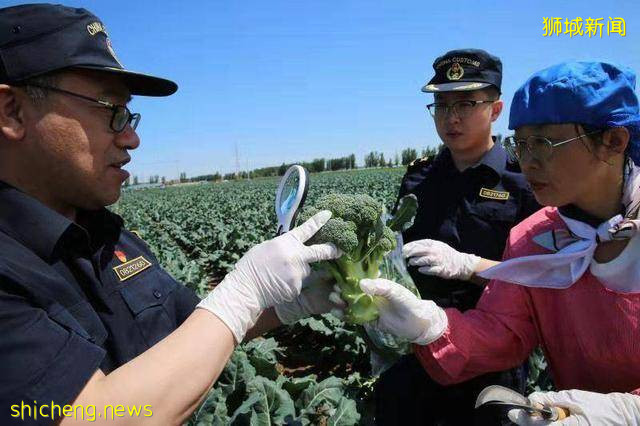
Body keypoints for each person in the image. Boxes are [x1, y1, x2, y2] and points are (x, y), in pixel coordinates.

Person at [0, 4, 344, 425]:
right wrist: (245, 293)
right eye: (111, 110)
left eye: (130, 114)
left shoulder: (110, 236)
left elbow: (193, 329)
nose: (132, 138)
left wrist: (284, 305)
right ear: (12, 112)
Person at [363, 61, 640, 425]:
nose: (527, 162)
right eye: (521, 144)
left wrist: (624, 413)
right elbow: (502, 330)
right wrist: (431, 326)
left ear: (614, 141)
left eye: (543, 142)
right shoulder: (532, 238)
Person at [375, 48, 540, 425]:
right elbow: (396, 256)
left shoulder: (523, 183)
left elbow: (538, 280)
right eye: (442, 104)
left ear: (495, 110)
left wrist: (468, 268)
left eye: (466, 103)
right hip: (418, 354)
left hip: (492, 364)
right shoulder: (419, 178)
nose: (452, 117)